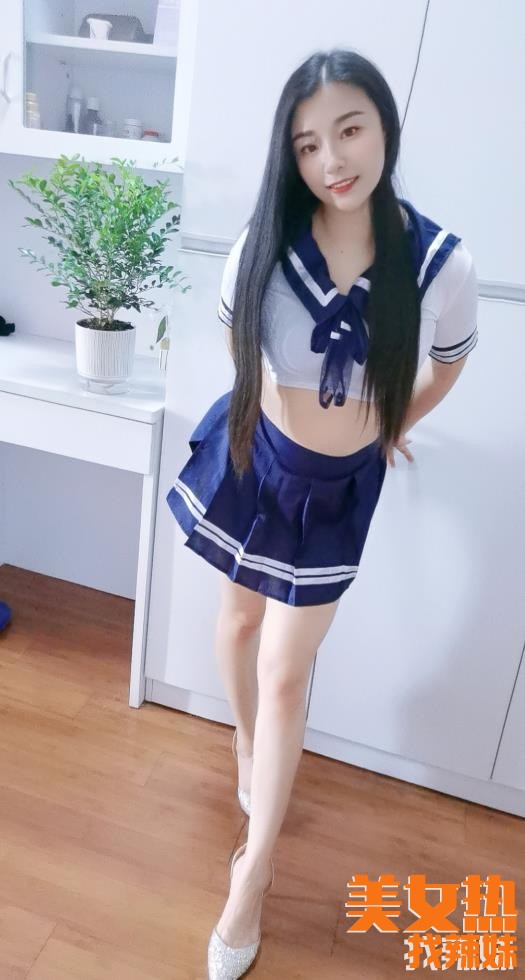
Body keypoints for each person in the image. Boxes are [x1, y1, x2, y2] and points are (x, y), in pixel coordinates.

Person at [166, 48, 478, 980]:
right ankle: (247, 750)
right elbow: (237, 337)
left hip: (336, 488)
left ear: (384, 127)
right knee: (235, 628)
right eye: (307, 144)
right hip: (257, 456)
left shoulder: (438, 263)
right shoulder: (264, 242)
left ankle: (252, 877)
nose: (331, 160)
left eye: (348, 130)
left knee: (284, 671)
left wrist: (390, 427)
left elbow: (448, 363)